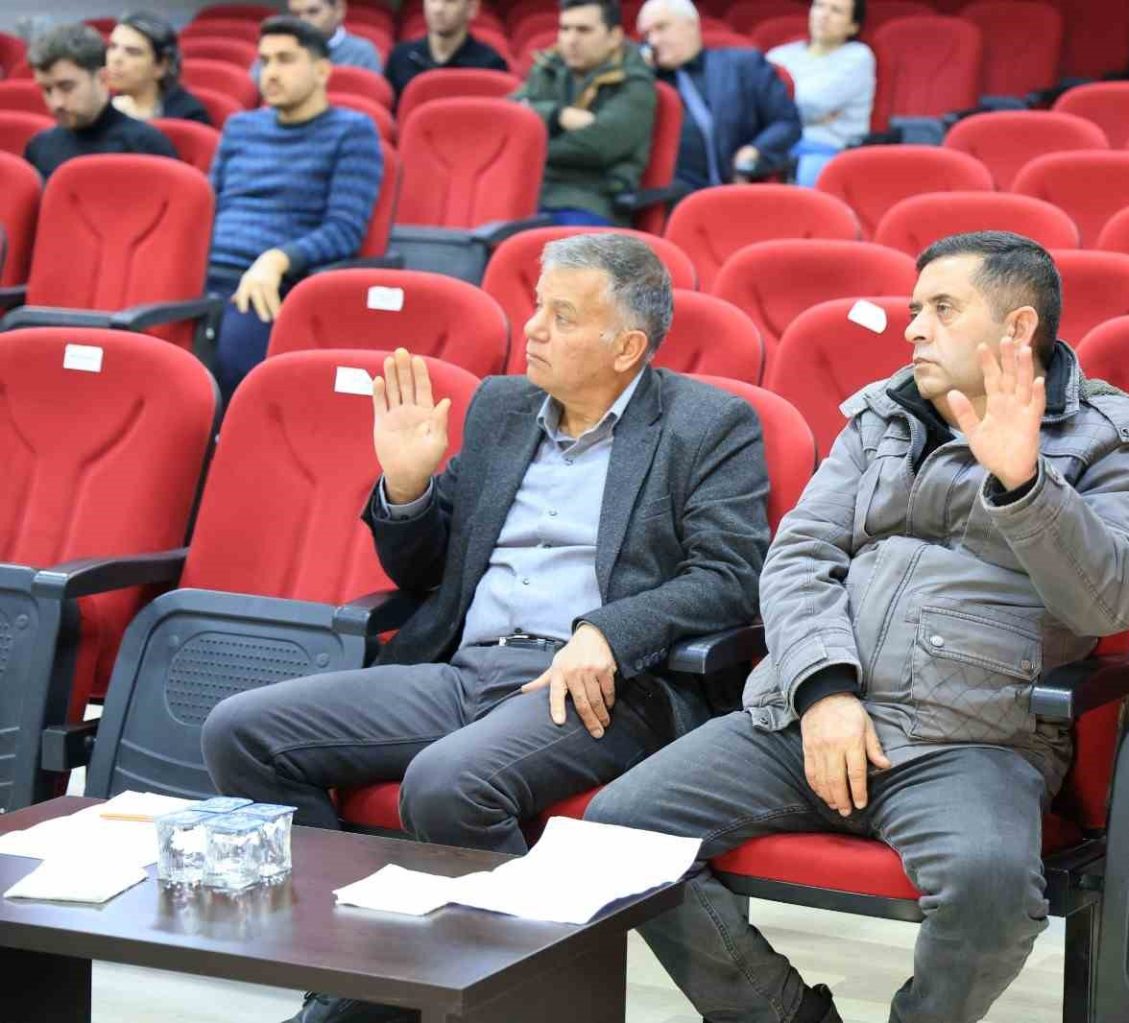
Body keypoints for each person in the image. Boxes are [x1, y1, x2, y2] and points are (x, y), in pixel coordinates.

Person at [587, 231, 1129, 1023]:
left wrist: (1027, 483)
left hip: (971, 738)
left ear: (1018, 327)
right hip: (806, 717)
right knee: (620, 830)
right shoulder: (881, 415)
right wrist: (825, 692)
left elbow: (1115, 602)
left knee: (991, 893)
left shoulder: (1110, 435)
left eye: (942, 308)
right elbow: (798, 557)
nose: (914, 329)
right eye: (914, 309)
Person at [202, 231, 772, 1023]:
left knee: (448, 784)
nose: (532, 328)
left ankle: (536, 1005)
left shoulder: (708, 424)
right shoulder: (502, 408)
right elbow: (427, 571)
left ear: (627, 347)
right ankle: (364, 975)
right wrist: (407, 489)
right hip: (464, 670)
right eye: (537, 307)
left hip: (601, 689)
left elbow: (731, 576)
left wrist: (608, 631)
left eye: (563, 317)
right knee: (240, 732)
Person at [206, 15, 383, 397]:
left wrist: (277, 260)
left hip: (272, 279)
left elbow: (344, 229)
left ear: (322, 71)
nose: (269, 73)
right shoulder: (239, 127)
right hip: (201, 271)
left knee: (234, 370)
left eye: (285, 60)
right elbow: (206, 208)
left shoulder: (353, 131)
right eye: (264, 61)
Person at [514, 0, 656, 226]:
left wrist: (531, 146)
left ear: (614, 37)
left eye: (584, 30)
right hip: (529, 191)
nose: (571, 39)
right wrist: (557, 116)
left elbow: (599, 145)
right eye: (565, 29)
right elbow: (508, 117)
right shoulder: (549, 67)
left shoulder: (635, 83)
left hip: (591, 202)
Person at [638, 0, 800, 193]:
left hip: (739, 182)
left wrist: (756, 150)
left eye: (661, 28)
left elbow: (786, 122)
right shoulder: (645, 83)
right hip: (673, 192)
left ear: (691, 25)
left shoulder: (743, 65)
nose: (653, 41)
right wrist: (640, 75)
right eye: (647, 35)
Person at [23, 22, 177, 180]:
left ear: (103, 79)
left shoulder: (146, 145)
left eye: (67, 87)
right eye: (47, 90)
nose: (56, 103)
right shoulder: (39, 146)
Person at [767, 0, 873, 187]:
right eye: (819, 6)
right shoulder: (779, 55)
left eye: (836, 11)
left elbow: (813, 101)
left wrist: (778, 110)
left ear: (853, 26)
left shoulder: (859, 57)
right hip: (774, 144)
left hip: (827, 150)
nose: (824, 15)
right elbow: (753, 103)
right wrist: (810, 117)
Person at [384, 0, 509, 99]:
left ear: (472, 8)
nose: (438, 9)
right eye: (432, 0)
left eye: (450, 1)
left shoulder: (490, 65)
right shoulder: (400, 58)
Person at [106, 12, 211, 124]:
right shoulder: (104, 106)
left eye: (133, 52)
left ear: (161, 66)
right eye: (112, 47)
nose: (115, 58)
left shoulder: (188, 116)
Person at [248, 0, 383, 85]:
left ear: (338, 10)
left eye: (313, 12)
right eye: (296, 14)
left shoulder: (362, 54)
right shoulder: (275, 51)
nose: (303, 21)